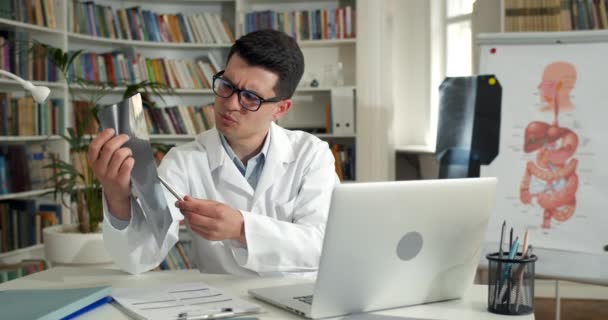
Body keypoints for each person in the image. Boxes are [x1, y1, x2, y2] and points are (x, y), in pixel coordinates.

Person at [88, 30, 339, 277]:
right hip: (222, 305)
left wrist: (241, 228)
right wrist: (117, 195)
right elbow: (140, 258)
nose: (230, 104)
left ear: (280, 109)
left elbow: (323, 244)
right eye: (227, 85)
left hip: (294, 301)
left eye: (250, 98)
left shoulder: (311, 154)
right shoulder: (183, 162)